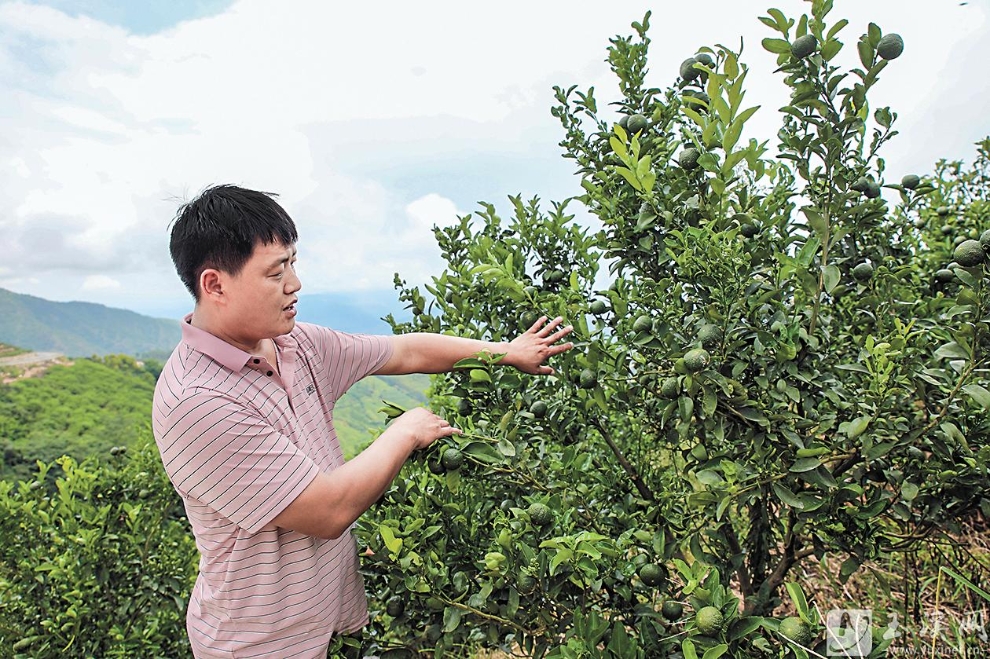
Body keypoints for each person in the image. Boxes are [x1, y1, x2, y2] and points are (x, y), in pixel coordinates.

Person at [151, 184, 574, 658]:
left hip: (327, 624)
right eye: (275, 272)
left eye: (293, 262)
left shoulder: (297, 344)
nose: (295, 283)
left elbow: (405, 350)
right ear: (215, 285)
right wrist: (405, 431)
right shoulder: (196, 401)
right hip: (259, 644)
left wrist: (505, 353)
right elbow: (328, 511)